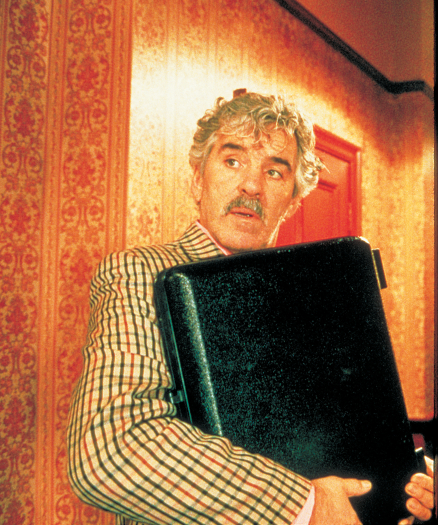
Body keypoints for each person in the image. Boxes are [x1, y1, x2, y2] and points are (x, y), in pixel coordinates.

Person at [68, 92, 434, 525]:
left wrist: (394, 484)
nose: (252, 186)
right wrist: (309, 506)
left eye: (275, 171)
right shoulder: (140, 273)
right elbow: (111, 451)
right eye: (233, 161)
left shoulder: (312, 293)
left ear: (293, 201)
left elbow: (320, 436)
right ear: (197, 180)